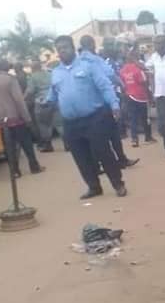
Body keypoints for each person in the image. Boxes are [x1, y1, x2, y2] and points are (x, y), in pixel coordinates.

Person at [47, 36, 126, 198]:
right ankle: (94, 187)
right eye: (59, 49)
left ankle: (118, 184)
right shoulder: (56, 73)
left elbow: (105, 86)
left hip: (94, 118)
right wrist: (45, 102)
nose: (62, 51)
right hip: (70, 122)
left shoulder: (89, 66)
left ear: (73, 48)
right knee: (80, 157)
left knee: (103, 152)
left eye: (65, 47)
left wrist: (114, 105)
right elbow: (53, 94)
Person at [79, 35, 137, 168]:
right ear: (93, 44)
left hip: (88, 105)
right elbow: (110, 75)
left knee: (95, 137)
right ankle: (121, 160)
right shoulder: (96, 60)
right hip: (104, 102)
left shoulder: (77, 62)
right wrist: (122, 85)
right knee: (113, 133)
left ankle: (98, 164)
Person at [0, 59, 44, 177]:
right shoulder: (10, 79)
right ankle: (34, 166)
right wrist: (27, 118)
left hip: (0, 121)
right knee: (26, 143)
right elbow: (19, 100)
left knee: (8, 146)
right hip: (15, 118)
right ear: (6, 68)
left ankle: (14, 171)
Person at [119, 49, 154, 147]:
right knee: (145, 118)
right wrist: (150, 96)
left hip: (129, 96)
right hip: (141, 96)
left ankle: (134, 139)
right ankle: (148, 137)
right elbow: (145, 83)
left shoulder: (122, 70)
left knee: (133, 118)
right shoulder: (139, 69)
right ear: (135, 57)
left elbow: (122, 84)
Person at [29, 59, 56, 152]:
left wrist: (24, 98)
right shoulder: (49, 74)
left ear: (33, 68)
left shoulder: (33, 77)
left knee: (43, 124)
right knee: (59, 122)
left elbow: (30, 91)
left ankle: (48, 145)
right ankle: (67, 144)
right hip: (54, 99)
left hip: (41, 102)